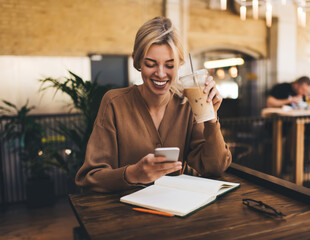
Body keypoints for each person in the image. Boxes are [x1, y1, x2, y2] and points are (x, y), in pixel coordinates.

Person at [75, 17, 232, 192]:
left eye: (170, 65)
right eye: (151, 64)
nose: (161, 74)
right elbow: (89, 178)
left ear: (180, 64)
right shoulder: (114, 103)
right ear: (138, 62)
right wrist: (132, 174)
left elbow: (214, 167)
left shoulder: (187, 104)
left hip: (179, 211)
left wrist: (210, 118)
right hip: (124, 215)